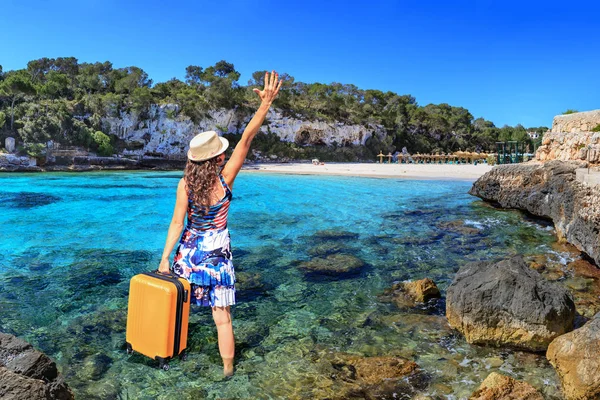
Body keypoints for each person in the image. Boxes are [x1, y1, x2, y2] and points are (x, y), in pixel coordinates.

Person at [159, 71, 282, 377]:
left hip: (188, 252)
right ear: (217, 157)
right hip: (216, 255)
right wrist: (265, 104)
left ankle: (169, 353)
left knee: (179, 305)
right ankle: (228, 371)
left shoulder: (184, 185)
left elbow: (177, 223)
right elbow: (247, 137)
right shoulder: (225, 179)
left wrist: (164, 259)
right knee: (222, 316)